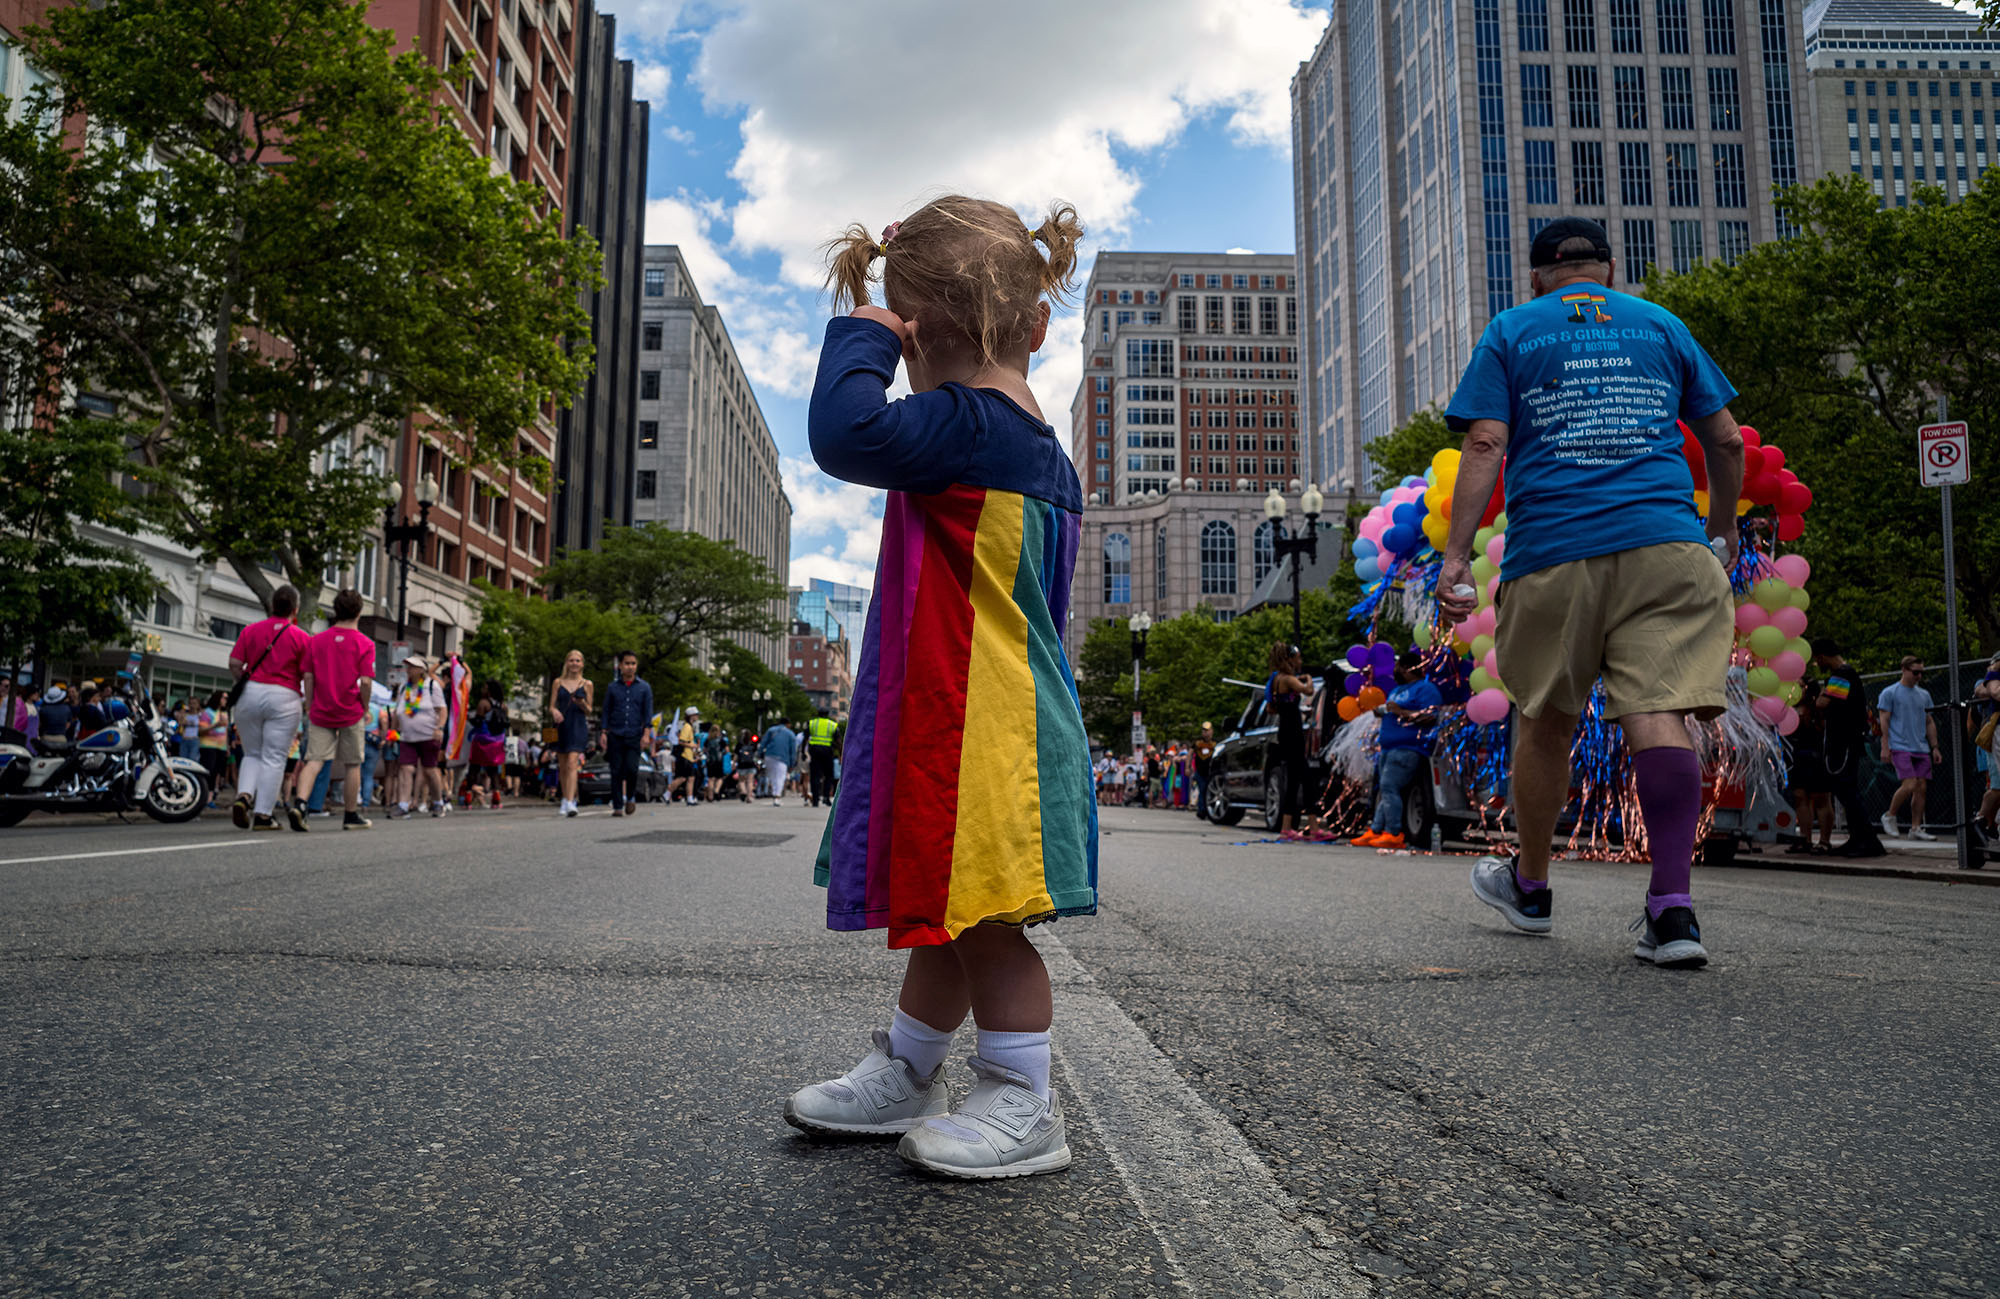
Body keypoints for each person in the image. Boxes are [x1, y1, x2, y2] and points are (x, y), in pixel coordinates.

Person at [781, 197, 1093, 1180]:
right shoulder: (1034, 441)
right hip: (978, 716)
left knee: (986, 921)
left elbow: (841, 433)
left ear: (912, 333)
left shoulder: (964, 425)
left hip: (981, 724)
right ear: (1036, 325)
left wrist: (858, 339)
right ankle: (907, 1070)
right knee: (949, 911)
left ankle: (1020, 1098)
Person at [1440, 217, 1743, 970]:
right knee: (1659, 714)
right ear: (1607, 268)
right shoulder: (1663, 323)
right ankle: (1672, 911)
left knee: (1546, 717)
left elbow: (1483, 443)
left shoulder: (1512, 329)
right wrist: (1722, 528)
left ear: (1540, 274)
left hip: (1555, 555)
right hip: (1669, 550)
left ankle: (1533, 887)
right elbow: (1728, 441)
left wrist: (1454, 561)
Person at [288, 588, 376, 832]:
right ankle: (350, 815)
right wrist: (364, 706)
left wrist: (311, 703)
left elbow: (308, 676)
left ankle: (301, 804)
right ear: (359, 612)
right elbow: (366, 681)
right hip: (350, 710)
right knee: (352, 764)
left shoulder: (317, 640)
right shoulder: (365, 643)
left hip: (321, 710)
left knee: (314, 760)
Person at [227, 585, 313, 831]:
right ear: (295, 609)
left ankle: (244, 795)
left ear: (272, 605)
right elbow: (307, 675)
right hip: (284, 696)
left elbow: (234, 663)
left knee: (252, 753)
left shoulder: (251, 631)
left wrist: (245, 678)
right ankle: (263, 814)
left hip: (250, 693)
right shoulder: (301, 637)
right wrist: (310, 703)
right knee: (274, 757)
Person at [1353, 652, 1444, 850]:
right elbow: (1393, 710)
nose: (1395, 671)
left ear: (1409, 669)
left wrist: (1400, 712)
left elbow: (1430, 716)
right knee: (1385, 789)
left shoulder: (1426, 689)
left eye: (1399, 667)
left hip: (1408, 748)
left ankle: (1393, 832)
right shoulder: (1398, 689)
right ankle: (1376, 830)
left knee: (1390, 787)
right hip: (1388, 748)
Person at [1811, 640, 1887, 857]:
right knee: (1846, 792)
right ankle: (1858, 838)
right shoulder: (1845, 675)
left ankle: (1867, 841)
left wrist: (1822, 694)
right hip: (1844, 742)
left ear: (1824, 656)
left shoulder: (1842, 675)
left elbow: (1822, 704)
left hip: (1843, 744)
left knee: (1848, 792)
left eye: (1818, 659)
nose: (1817, 663)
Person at [1265, 643, 1318, 842]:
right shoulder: (1287, 679)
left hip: (1285, 730)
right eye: (1298, 658)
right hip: (1293, 733)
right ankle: (1313, 827)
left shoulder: (1275, 680)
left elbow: (1272, 708)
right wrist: (1308, 679)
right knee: (1305, 778)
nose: (1301, 662)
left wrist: (1293, 710)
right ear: (1290, 659)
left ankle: (1287, 827)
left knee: (1295, 779)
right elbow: (1309, 691)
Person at [391, 655, 447, 819]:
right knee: (406, 769)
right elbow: (397, 713)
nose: (408, 669)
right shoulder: (403, 688)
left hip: (428, 735)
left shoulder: (431, 686)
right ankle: (403, 804)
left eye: (412, 666)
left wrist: (440, 728)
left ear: (421, 670)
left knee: (430, 770)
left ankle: (437, 802)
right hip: (407, 737)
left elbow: (442, 709)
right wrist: (392, 733)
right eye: (407, 666)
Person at [601, 651, 654, 817]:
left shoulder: (644, 688)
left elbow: (647, 714)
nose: (630, 667)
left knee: (632, 769)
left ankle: (630, 797)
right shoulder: (613, 687)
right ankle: (617, 805)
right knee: (615, 771)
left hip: (634, 735)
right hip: (615, 733)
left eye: (633, 663)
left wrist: (646, 734)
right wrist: (603, 732)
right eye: (627, 663)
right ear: (621, 666)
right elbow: (606, 711)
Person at [1786, 676, 1835, 854]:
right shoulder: (1789, 708)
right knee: (1800, 797)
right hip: (1797, 758)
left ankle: (1824, 840)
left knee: (1821, 798)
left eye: (1799, 686)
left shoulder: (1817, 709)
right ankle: (1804, 839)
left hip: (1817, 757)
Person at [548, 649, 592, 818]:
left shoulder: (587, 684)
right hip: (560, 725)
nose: (574, 664)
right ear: (567, 663)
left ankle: (571, 801)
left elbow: (589, 710)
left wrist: (581, 703)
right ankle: (564, 799)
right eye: (571, 660)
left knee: (573, 763)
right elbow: (551, 706)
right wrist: (554, 712)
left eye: (577, 661)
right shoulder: (557, 682)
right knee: (563, 765)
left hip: (578, 725)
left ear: (582, 664)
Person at [466, 688, 510, 810]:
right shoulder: (503, 706)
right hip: (497, 742)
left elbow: (478, 722)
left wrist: (469, 717)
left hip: (482, 740)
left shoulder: (483, 703)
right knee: (493, 770)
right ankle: (496, 798)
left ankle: (468, 798)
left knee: (474, 768)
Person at [759, 714, 797, 808]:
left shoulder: (771, 730)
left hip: (769, 756)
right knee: (780, 777)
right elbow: (793, 750)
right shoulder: (790, 734)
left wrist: (760, 754)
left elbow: (763, 743)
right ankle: (777, 796)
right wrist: (792, 763)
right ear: (788, 724)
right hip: (783, 758)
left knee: (772, 776)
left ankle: (774, 793)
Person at [805, 706, 840, 807]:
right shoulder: (832, 725)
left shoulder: (812, 723)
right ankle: (826, 797)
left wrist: (804, 752)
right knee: (829, 776)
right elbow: (838, 741)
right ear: (827, 714)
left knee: (815, 776)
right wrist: (840, 753)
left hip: (814, 752)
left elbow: (805, 739)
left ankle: (815, 800)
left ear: (818, 713)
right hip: (827, 752)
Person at [1192, 722, 1217, 821]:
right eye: (1204, 731)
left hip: (1211, 771)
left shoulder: (1216, 743)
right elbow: (1190, 753)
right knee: (1202, 789)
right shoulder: (1197, 742)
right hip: (1200, 771)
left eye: (1207, 731)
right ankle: (1202, 810)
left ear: (1212, 731)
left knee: (1208, 790)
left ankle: (1207, 809)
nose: (1206, 733)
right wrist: (1187, 767)